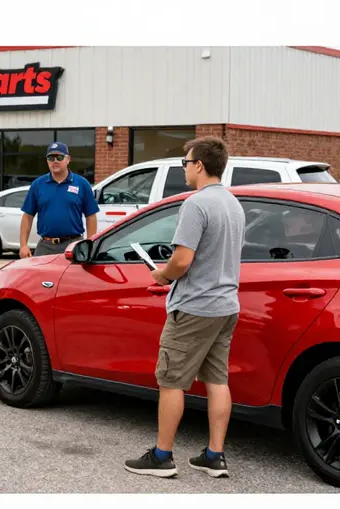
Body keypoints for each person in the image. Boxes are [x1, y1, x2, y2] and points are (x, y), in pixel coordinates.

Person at [124, 137, 245, 479]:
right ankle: (215, 456)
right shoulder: (234, 204)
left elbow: (182, 260)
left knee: (171, 381)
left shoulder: (196, 204)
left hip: (194, 307)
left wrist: (162, 275)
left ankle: (162, 457)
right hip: (225, 306)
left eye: (185, 163)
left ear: (199, 166)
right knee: (217, 380)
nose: (184, 169)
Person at [19, 142, 99, 257]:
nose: (55, 161)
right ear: (47, 161)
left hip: (73, 244)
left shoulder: (82, 184)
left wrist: (90, 244)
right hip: (45, 246)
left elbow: (91, 216)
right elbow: (27, 216)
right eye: (51, 158)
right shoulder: (38, 185)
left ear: (68, 159)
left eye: (59, 157)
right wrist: (23, 245)